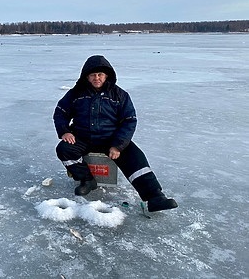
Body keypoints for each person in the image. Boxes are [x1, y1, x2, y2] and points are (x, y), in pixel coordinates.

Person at [53, 55, 177, 212]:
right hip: (82, 137)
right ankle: (87, 180)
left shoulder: (120, 95)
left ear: (107, 76)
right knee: (63, 149)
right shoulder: (75, 93)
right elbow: (60, 112)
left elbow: (129, 120)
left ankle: (155, 197)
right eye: (92, 75)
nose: (96, 78)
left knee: (136, 159)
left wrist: (118, 145)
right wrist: (64, 131)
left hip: (111, 139)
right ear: (86, 76)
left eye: (100, 74)